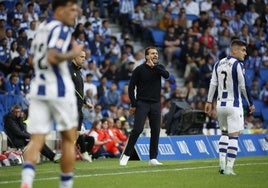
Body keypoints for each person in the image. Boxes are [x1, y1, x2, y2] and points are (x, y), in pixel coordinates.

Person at [20, 1, 84, 188]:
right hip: (59, 91)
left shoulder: (41, 29)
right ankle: (65, 185)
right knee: (68, 139)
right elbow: (53, 56)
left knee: (36, 140)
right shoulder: (61, 29)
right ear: (60, 10)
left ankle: (26, 182)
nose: (75, 13)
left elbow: (32, 59)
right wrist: (72, 52)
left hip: (38, 90)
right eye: (71, 9)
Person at [204, 39, 255, 175]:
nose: (245, 53)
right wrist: (250, 102)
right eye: (243, 50)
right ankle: (229, 168)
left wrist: (209, 102)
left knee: (224, 134)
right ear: (234, 50)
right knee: (234, 136)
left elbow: (212, 84)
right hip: (234, 104)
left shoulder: (217, 64)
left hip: (220, 105)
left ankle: (221, 165)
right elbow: (243, 86)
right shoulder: (238, 64)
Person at [119, 46, 170, 166]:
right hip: (142, 103)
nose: (155, 55)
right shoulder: (139, 69)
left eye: (156, 53)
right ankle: (126, 155)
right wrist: (133, 103)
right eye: (152, 53)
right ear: (147, 56)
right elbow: (131, 87)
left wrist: (155, 67)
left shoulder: (159, 68)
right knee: (137, 129)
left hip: (156, 104)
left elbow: (167, 75)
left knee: (156, 130)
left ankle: (153, 158)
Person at [69, 50, 94, 162]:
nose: (84, 59)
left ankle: (83, 153)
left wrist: (85, 102)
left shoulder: (79, 72)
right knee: (76, 131)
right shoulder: (68, 71)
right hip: (71, 106)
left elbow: (79, 91)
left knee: (77, 132)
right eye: (81, 57)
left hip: (78, 106)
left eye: (85, 57)